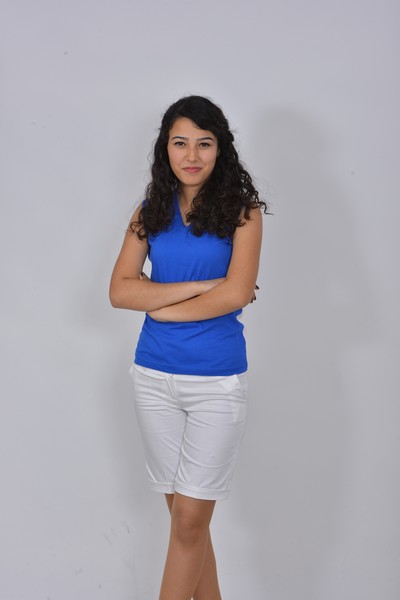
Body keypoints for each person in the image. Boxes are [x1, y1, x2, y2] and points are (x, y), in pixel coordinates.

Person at [109, 95, 268, 600]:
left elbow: (237, 293)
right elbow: (120, 291)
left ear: (221, 149)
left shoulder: (243, 213)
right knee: (186, 522)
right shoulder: (150, 211)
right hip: (153, 379)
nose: (192, 155)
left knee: (189, 524)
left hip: (216, 383)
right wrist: (200, 287)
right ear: (166, 149)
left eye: (205, 143)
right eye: (181, 143)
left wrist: (162, 306)